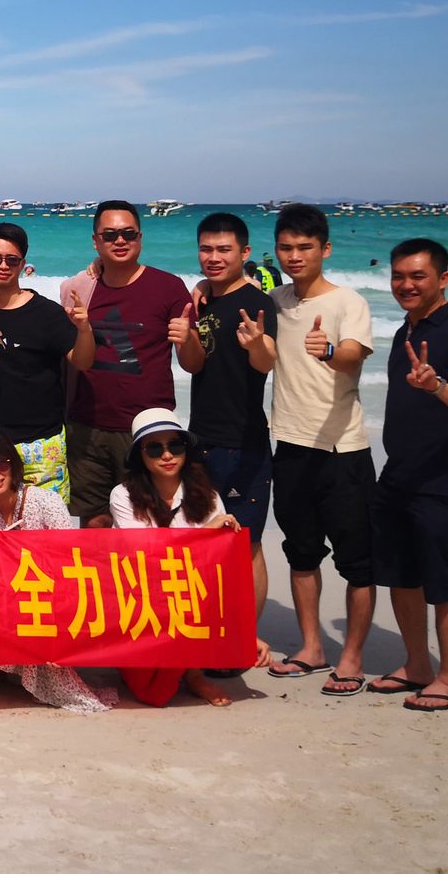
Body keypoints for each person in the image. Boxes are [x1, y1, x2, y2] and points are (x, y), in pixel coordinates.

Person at [369, 239, 448, 711]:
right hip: (400, 475)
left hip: (447, 479)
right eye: (398, 276)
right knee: (401, 576)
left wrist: (438, 385)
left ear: (443, 279)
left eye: (417, 276)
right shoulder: (406, 329)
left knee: (442, 581)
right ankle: (417, 665)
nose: (406, 284)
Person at [264, 204, 377, 696]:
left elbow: (354, 355)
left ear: (324, 249)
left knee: (357, 561)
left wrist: (328, 351)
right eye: (286, 247)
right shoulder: (276, 301)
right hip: (290, 445)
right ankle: (312, 648)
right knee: (301, 553)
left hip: (341, 450)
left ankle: (351, 657)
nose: (295, 256)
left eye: (305, 247)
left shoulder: (348, 302)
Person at [0, 423, 117, 713]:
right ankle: (7, 666)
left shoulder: (46, 501)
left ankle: (26, 666)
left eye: (0, 463)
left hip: (45, 602)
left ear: (12, 462)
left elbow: (71, 568)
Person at [58, 200, 196, 529]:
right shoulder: (79, 289)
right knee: (95, 523)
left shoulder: (169, 287)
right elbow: (70, 357)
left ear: (140, 238)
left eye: (128, 234)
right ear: (96, 241)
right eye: (109, 235)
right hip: (87, 426)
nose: (119, 240)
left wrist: (188, 338)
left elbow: (192, 364)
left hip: (148, 430)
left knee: (150, 523)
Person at [110, 408, 257, 707]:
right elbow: (145, 553)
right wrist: (205, 534)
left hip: (190, 593)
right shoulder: (122, 495)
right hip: (141, 596)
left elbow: (218, 561)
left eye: (175, 446)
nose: (167, 455)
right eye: (155, 448)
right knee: (153, 692)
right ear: (140, 455)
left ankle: (194, 673)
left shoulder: (208, 495)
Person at [187, 213, 277, 676]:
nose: (214, 257)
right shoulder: (203, 299)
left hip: (244, 441)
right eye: (207, 249)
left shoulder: (258, 304)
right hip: (200, 438)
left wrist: (257, 344)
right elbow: (194, 365)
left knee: (246, 543)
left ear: (244, 253)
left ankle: (243, 638)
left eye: (224, 249)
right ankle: (210, 631)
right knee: (205, 539)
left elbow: (266, 362)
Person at [0, 222, 93, 501]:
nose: (3, 266)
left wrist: (85, 330)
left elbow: (82, 361)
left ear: (22, 264)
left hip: (43, 443)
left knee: (48, 527)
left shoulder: (47, 312)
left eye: (12, 260)